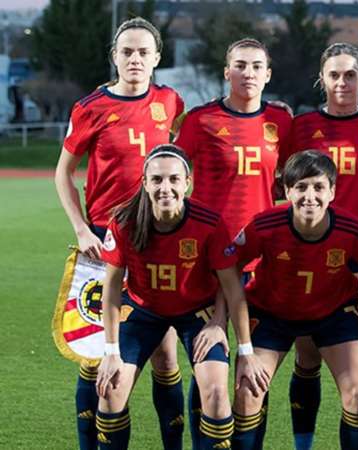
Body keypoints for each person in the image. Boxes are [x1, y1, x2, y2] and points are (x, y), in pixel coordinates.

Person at [54, 17, 185, 450]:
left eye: (143, 52)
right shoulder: (90, 107)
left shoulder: (170, 101)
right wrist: (81, 229)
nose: (135, 58)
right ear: (114, 56)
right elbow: (63, 175)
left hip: (157, 243)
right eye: (127, 51)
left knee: (167, 359)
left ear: (157, 58)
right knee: (95, 358)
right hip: (101, 244)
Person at [94, 145, 266, 450]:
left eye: (174, 179)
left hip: (196, 311)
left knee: (214, 393)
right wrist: (110, 350)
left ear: (187, 182)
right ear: (145, 183)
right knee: (111, 390)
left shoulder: (208, 223)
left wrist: (240, 345)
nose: (166, 188)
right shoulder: (124, 221)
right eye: (157, 180)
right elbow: (110, 288)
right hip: (142, 310)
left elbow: (231, 286)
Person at [174, 37, 292, 447]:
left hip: (260, 262)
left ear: (268, 74)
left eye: (257, 66)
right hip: (206, 262)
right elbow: (172, 178)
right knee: (208, 364)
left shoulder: (282, 122)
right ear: (227, 72)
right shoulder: (200, 120)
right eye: (240, 65)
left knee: (252, 374)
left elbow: (294, 182)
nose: (249, 73)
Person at [231, 150, 358, 450]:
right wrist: (238, 342)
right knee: (248, 392)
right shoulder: (264, 225)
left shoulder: (351, 227)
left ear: (332, 191)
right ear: (287, 190)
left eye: (318, 187)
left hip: (333, 313)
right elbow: (229, 269)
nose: (309, 196)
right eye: (300, 187)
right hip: (270, 314)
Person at [282, 42, 358, 450]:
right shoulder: (302, 126)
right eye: (334, 75)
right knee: (307, 359)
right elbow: (286, 180)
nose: (342, 82)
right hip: (310, 256)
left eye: (350, 75)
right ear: (321, 79)